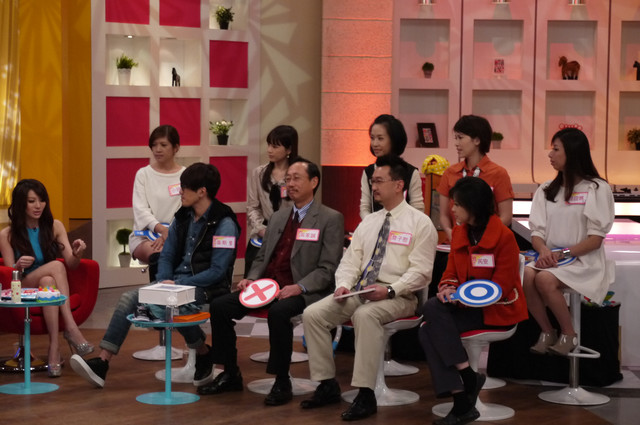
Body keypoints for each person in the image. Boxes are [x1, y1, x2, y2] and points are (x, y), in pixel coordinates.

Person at [70, 163, 241, 388]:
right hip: (175, 284)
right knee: (129, 298)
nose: (180, 192)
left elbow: (217, 271)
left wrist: (178, 284)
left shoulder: (224, 223)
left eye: (185, 188)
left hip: (206, 287)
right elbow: (166, 256)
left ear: (202, 191)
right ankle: (102, 363)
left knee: (168, 305)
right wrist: (163, 283)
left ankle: (202, 351)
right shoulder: (182, 217)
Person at [197, 157, 344, 406]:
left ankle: (281, 380)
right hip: (267, 286)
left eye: (296, 178)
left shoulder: (330, 218)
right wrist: (251, 278)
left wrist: (299, 287)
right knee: (220, 306)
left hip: (304, 289)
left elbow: (328, 268)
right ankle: (230, 373)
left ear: (314, 182)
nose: (290, 184)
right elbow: (262, 256)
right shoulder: (278, 216)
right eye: (288, 179)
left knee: (279, 312)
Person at [301, 155, 437, 421]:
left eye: (379, 181)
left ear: (399, 185)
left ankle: (365, 394)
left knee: (365, 315)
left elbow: (421, 273)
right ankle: (327, 384)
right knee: (313, 314)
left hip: (400, 295)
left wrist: (390, 290)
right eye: (372, 181)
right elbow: (350, 261)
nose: (373, 187)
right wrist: (343, 285)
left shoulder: (420, 223)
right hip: (361, 290)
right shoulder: (369, 221)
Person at [419, 177, 528, 425]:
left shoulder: (504, 237)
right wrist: (448, 289)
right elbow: (449, 272)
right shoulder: (460, 233)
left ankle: (464, 390)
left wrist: (468, 298)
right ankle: (464, 388)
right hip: (464, 306)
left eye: (457, 204)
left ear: (473, 205)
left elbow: (502, 285)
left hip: (495, 309)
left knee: (428, 326)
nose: (452, 209)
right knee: (431, 313)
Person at [524, 128, 615, 356]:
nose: (550, 154)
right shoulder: (546, 190)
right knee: (526, 274)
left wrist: (561, 253)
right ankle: (547, 331)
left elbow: (595, 240)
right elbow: (537, 232)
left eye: (556, 149)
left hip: (583, 261)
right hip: (551, 259)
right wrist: (544, 250)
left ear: (573, 152)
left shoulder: (596, 188)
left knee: (544, 278)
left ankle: (568, 333)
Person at [0, 179, 92, 377]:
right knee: (56, 266)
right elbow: (10, 275)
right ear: (21, 203)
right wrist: (18, 265)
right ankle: (71, 328)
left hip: (46, 285)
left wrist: (77, 253)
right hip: (22, 285)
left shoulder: (55, 226)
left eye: (41, 200)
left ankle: (54, 348)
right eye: (31, 201)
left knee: (48, 282)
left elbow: (72, 264)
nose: (38, 206)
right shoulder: (7, 234)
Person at [437, 115, 514, 242]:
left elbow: (506, 217)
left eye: (460, 138)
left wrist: (483, 236)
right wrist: (450, 233)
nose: (456, 143)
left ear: (477, 140)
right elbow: (443, 215)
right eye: (456, 138)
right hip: (455, 243)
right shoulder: (450, 172)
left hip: (488, 244)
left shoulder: (498, 173)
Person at [129, 124, 185, 266]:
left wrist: (169, 233)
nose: (157, 149)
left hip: (177, 233)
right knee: (161, 256)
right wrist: (161, 230)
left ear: (176, 148)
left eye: (163, 145)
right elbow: (141, 210)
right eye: (154, 145)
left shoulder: (185, 175)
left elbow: (186, 210)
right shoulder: (143, 174)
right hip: (145, 235)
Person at [245, 125, 297, 276]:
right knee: (254, 276)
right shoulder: (259, 173)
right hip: (264, 232)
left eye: (275, 146)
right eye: (268, 145)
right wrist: (261, 229)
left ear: (289, 149)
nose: (269, 150)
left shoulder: (297, 175)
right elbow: (252, 207)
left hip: (290, 233)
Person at [360, 114, 424, 219]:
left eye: (380, 138)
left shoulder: (411, 172)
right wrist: (372, 224)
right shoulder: (368, 172)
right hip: (374, 226)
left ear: (394, 140)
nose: (375, 144)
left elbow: (418, 209)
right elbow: (365, 207)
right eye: (372, 138)